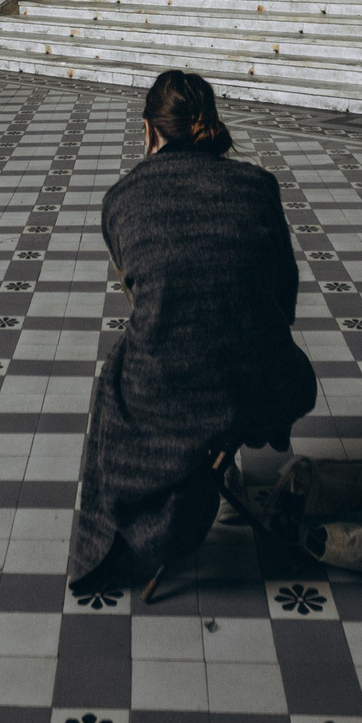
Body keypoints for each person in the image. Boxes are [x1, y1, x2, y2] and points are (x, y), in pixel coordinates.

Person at [68, 70, 317, 597]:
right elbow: (284, 297)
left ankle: (123, 531)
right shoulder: (258, 185)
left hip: (169, 390)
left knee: (115, 379)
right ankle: (200, 471)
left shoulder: (121, 199)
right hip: (263, 378)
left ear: (149, 132)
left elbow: (145, 302)